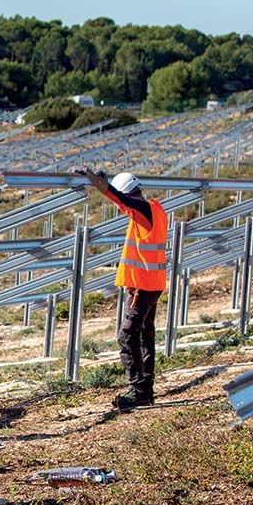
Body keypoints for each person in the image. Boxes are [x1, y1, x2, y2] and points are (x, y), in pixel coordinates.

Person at [72, 166, 169, 410]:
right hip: (151, 284)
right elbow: (123, 203)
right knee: (145, 335)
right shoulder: (154, 210)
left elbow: (118, 198)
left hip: (143, 287)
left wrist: (95, 181)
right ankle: (145, 390)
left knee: (126, 335)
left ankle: (138, 390)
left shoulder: (142, 209)